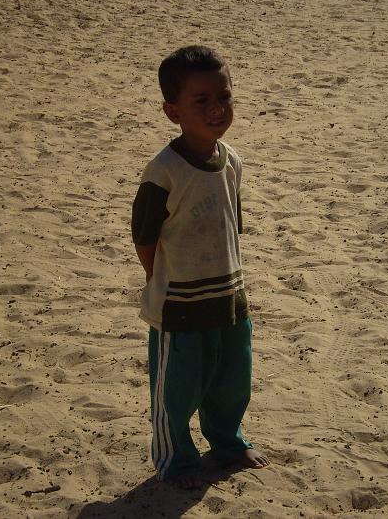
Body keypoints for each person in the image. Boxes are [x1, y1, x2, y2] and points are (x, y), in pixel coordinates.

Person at [131, 45, 269, 489]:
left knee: (232, 379)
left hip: (229, 295)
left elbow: (231, 226)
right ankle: (177, 460)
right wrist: (159, 280)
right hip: (180, 303)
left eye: (224, 97)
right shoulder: (164, 171)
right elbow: (144, 236)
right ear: (173, 111)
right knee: (178, 388)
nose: (217, 109)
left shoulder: (232, 162)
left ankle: (228, 442)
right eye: (202, 100)